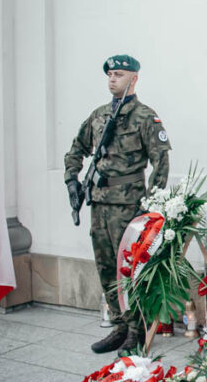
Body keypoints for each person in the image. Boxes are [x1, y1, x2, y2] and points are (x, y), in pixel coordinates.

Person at [64, 54, 171, 355]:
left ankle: (136, 331)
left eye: (120, 75)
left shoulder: (145, 117)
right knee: (106, 267)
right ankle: (119, 325)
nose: (113, 79)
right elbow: (75, 150)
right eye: (110, 74)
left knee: (130, 268)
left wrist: (150, 206)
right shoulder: (98, 116)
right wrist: (71, 180)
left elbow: (161, 162)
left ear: (134, 79)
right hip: (99, 203)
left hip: (130, 207)